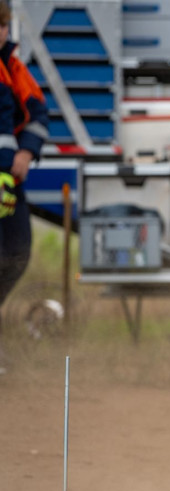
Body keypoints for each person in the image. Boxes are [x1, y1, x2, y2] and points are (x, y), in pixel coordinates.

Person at [0, 1, 50, 375]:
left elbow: (38, 112)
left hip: (7, 183)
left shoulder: (13, 68)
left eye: (2, 25)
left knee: (16, 252)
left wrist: (26, 152)